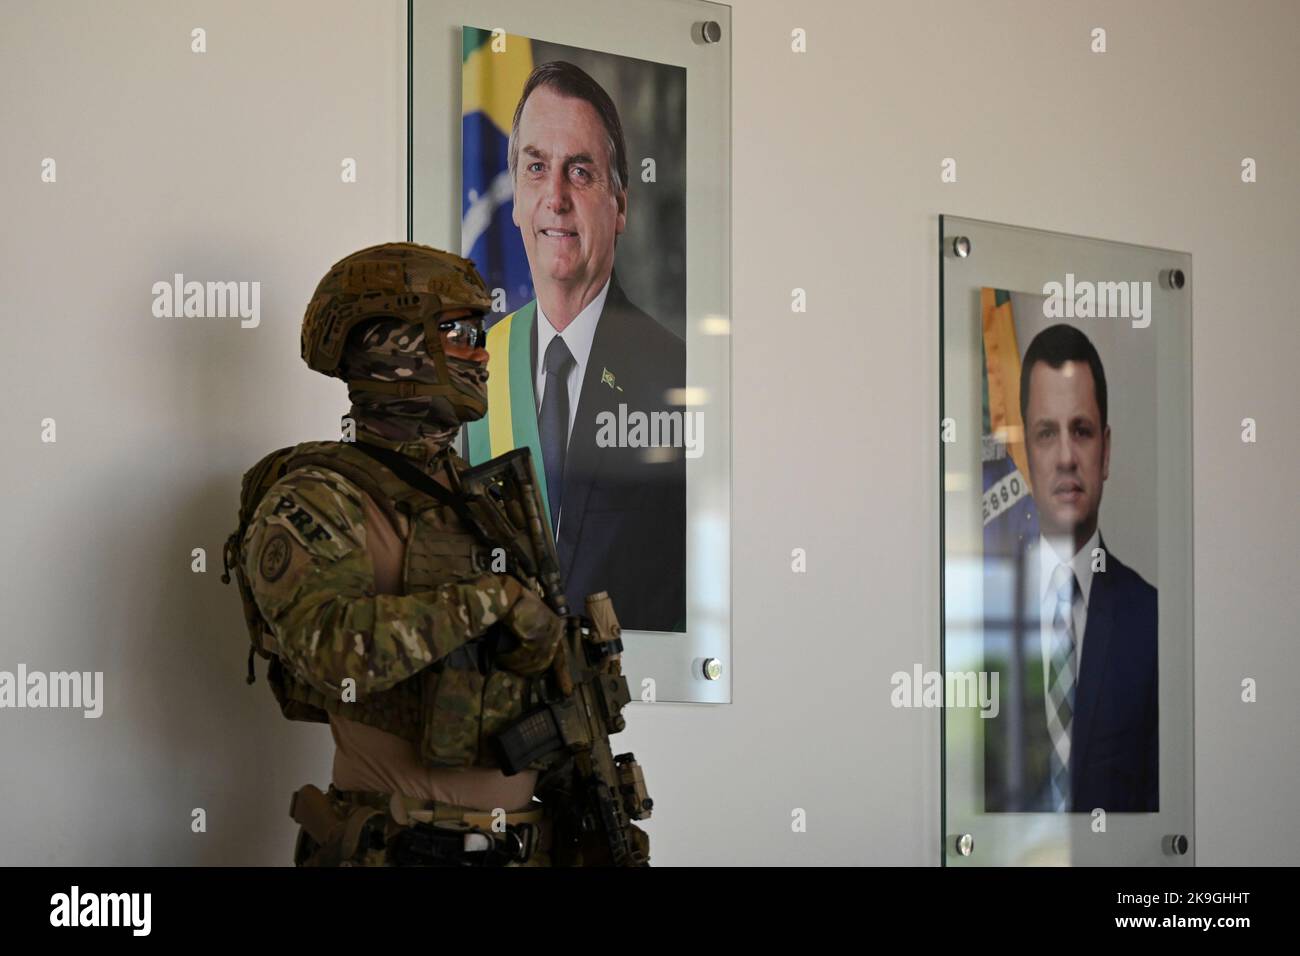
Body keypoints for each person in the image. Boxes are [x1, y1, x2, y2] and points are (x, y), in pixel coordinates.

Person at [231, 242, 573, 866]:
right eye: (460, 332)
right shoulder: (318, 495)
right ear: (387, 342)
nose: (482, 351)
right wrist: (490, 603)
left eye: (483, 331)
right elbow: (329, 651)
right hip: (401, 851)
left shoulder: (480, 500)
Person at [465, 60, 686, 633]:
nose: (556, 197)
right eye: (536, 168)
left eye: (581, 172)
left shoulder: (677, 377)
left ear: (621, 206)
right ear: (515, 199)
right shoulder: (470, 377)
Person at [1014, 323, 1159, 813]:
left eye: (1081, 430)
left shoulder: (1154, 620)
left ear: (1106, 451)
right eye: (1045, 433)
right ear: (1025, 453)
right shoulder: (977, 614)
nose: (1066, 457)